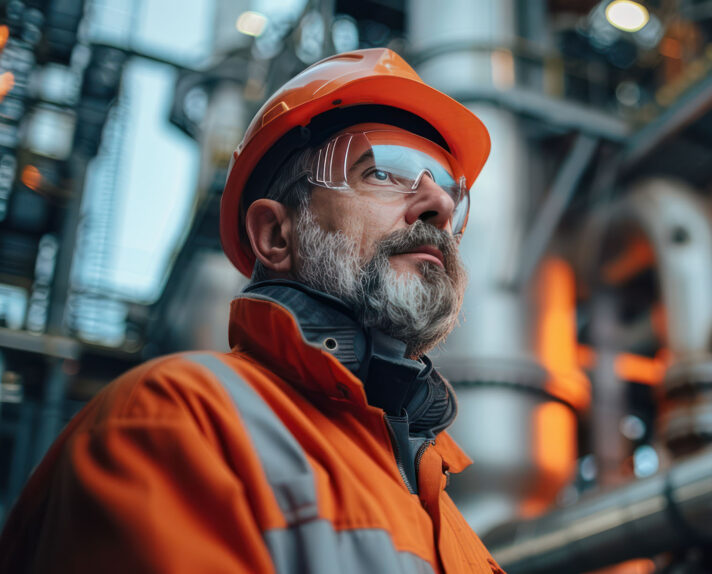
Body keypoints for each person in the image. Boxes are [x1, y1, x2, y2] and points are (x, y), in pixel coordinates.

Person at [0, 48, 504, 573]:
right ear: (275, 234)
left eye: (449, 189)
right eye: (382, 171)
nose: (439, 205)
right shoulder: (182, 419)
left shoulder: (457, 529)